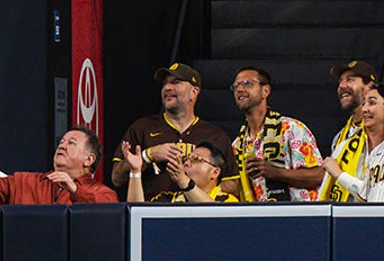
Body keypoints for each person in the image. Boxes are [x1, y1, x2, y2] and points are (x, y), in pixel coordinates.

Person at [111, 63, 237, 201]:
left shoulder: (216, 136)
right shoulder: (142, 128)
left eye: (176, 82)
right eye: (165, 83)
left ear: (194, 92)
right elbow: (116, 179)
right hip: (153, 208)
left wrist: (195, 192)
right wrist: (148, 155)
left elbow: (233, 184)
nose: (167, 87)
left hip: (199, 211)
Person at [0, 106, 118, 204]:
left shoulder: (102, 194)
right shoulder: (25, 183)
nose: (62, 145)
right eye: (62, 141)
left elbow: (108, 212)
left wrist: (75, 190)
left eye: (71, 143)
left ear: (89, 159)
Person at [230, 66, 323, 202]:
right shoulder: (238, 145)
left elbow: (319, 175)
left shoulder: (291, 129)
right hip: (263, 214)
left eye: (247, 83)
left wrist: (275, 172)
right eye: (235, 86)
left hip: (301, 212)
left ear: (266, 91)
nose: (239, 89)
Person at [320, 60, 378, 202]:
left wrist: (339, 174)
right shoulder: (340, 138)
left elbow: (375, 192)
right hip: (343, 213)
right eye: (340, 81)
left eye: (350, 79)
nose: (342, 85)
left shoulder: (378, 134)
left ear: (369, 87)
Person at [122, 140, 237, 203]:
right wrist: (135, 172)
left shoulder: (227, 201)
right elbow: (137, 215)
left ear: (215, 172)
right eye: (186, 159)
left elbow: (215, 216)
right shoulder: (167, 200)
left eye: (196, 159)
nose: (186, 164)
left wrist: (184, 182)